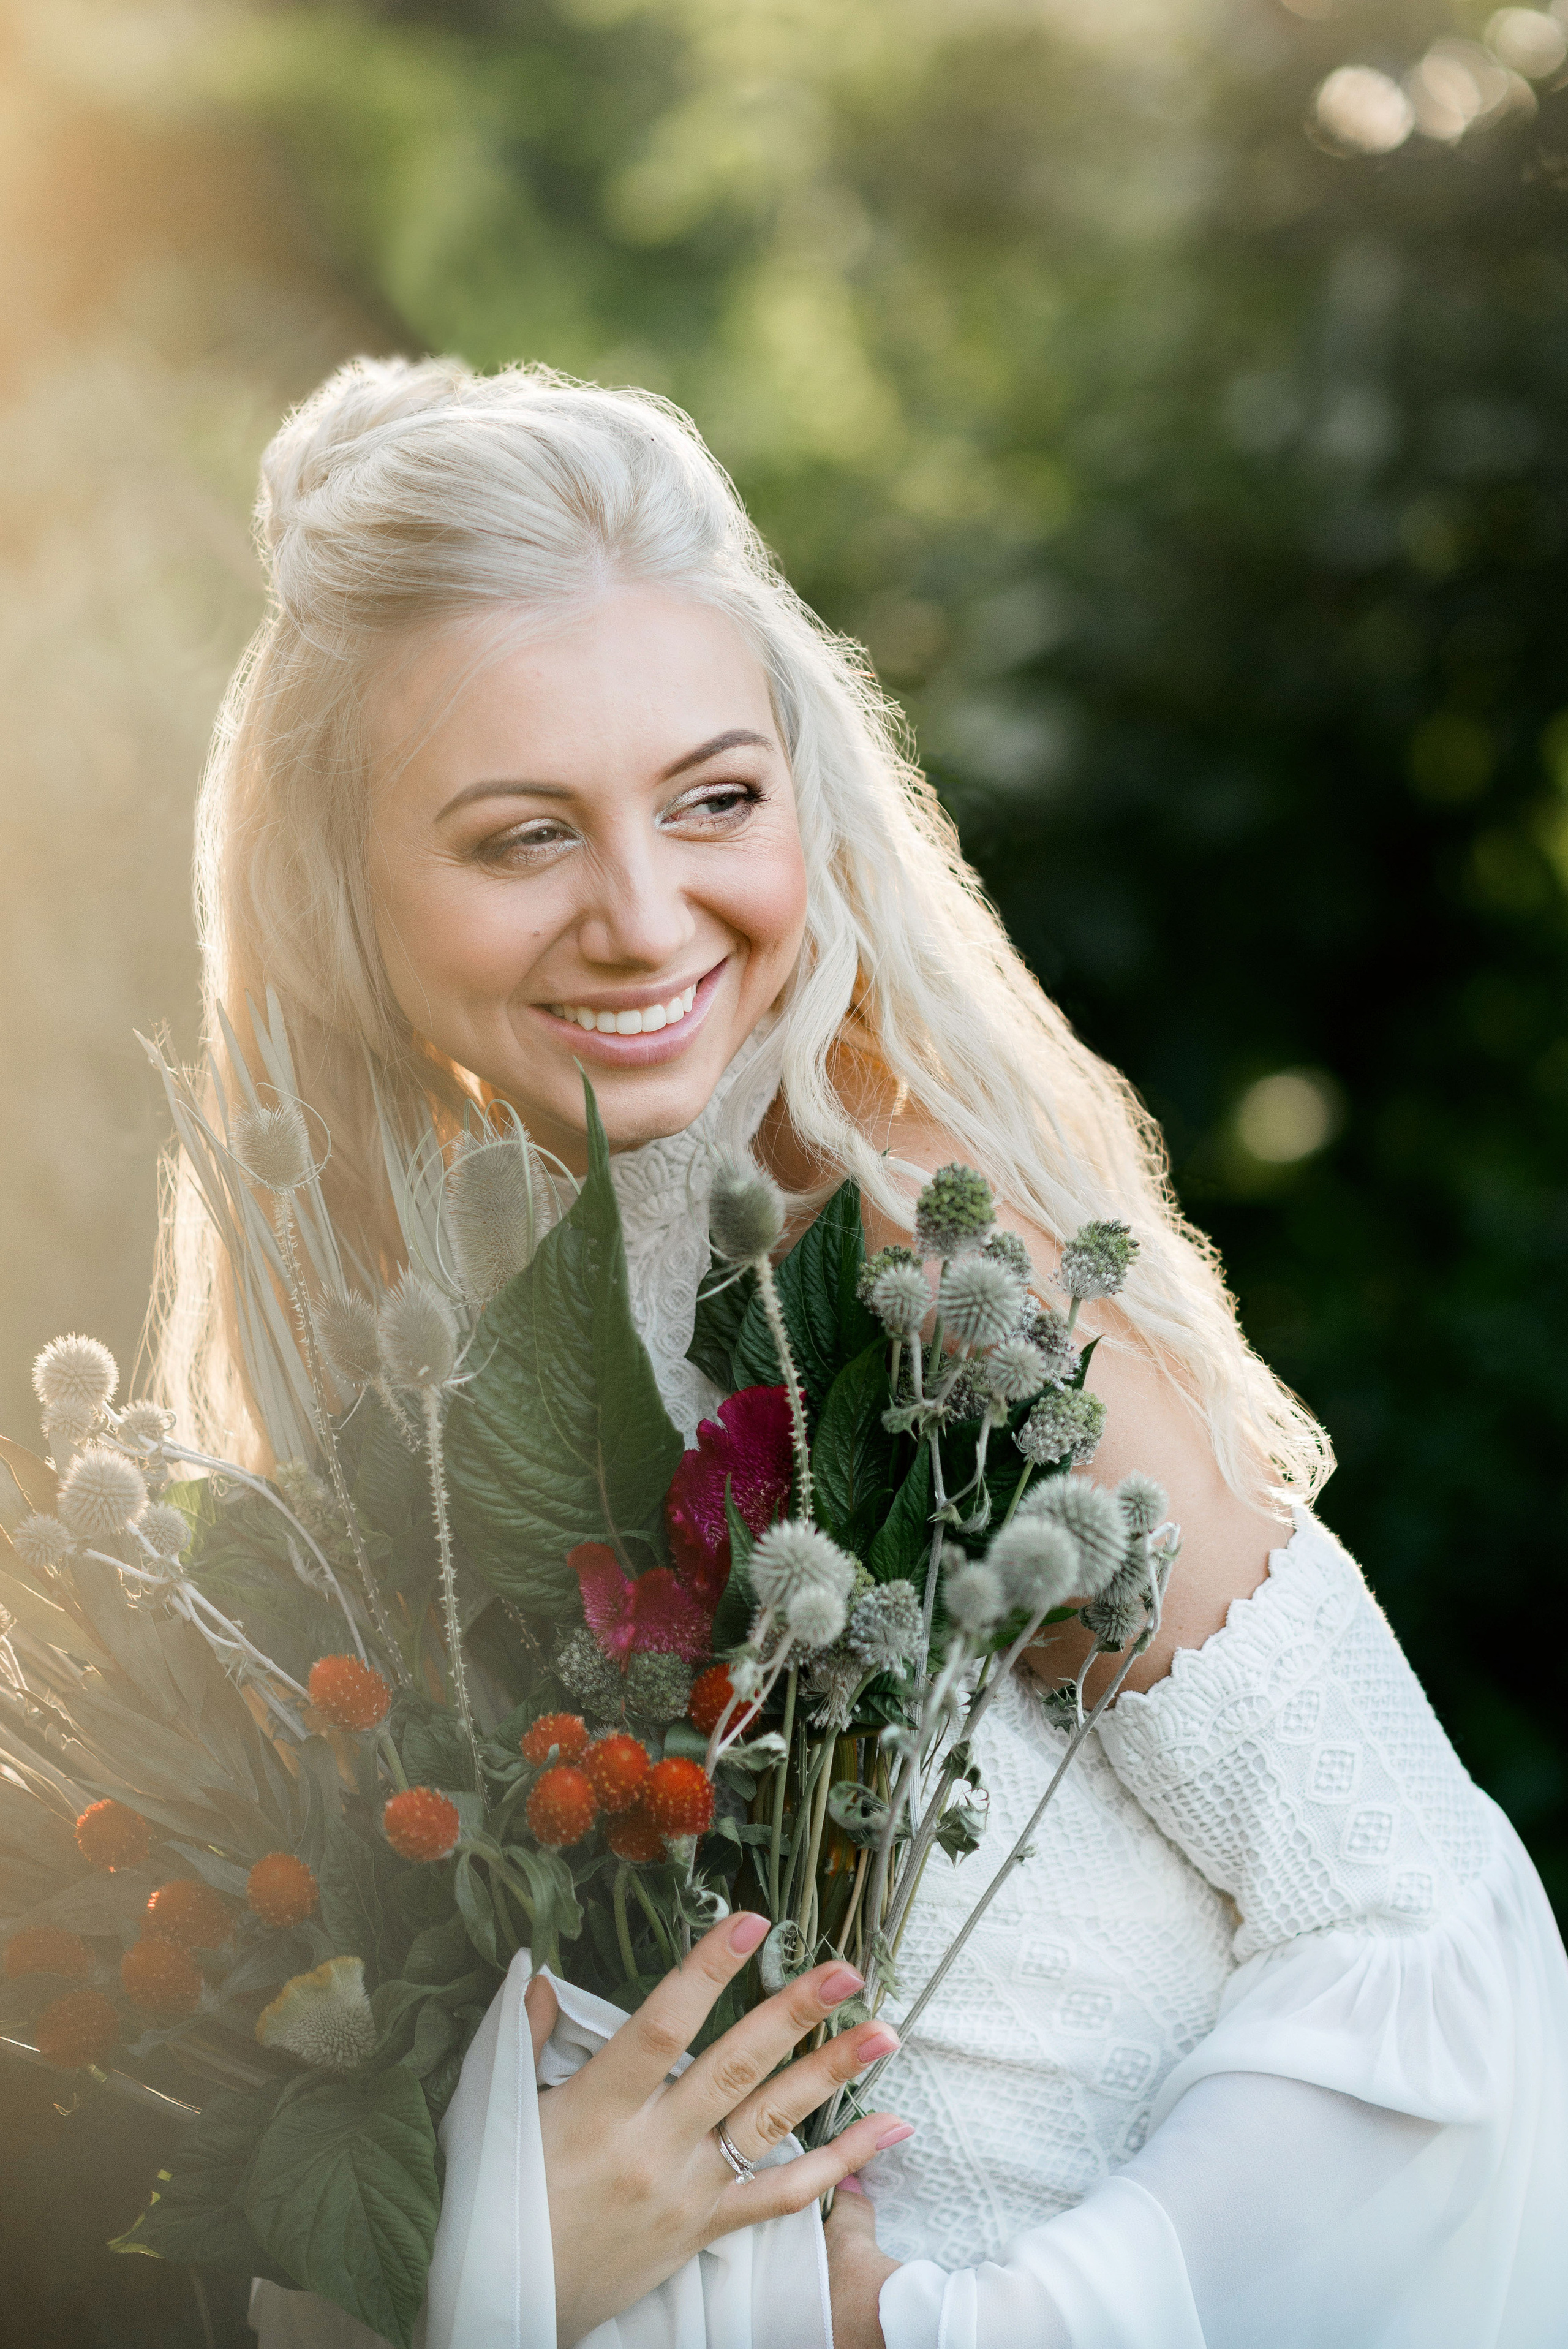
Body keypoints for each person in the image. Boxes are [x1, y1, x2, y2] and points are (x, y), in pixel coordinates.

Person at [168, 356, 1568, 2348]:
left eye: (714, 800)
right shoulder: (359, 1410)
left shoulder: (931, 1291)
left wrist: (942, 2330)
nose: (646, 918)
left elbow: (1429, 1932)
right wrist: (489, 2238)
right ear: (340, 884)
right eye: (521, 837)